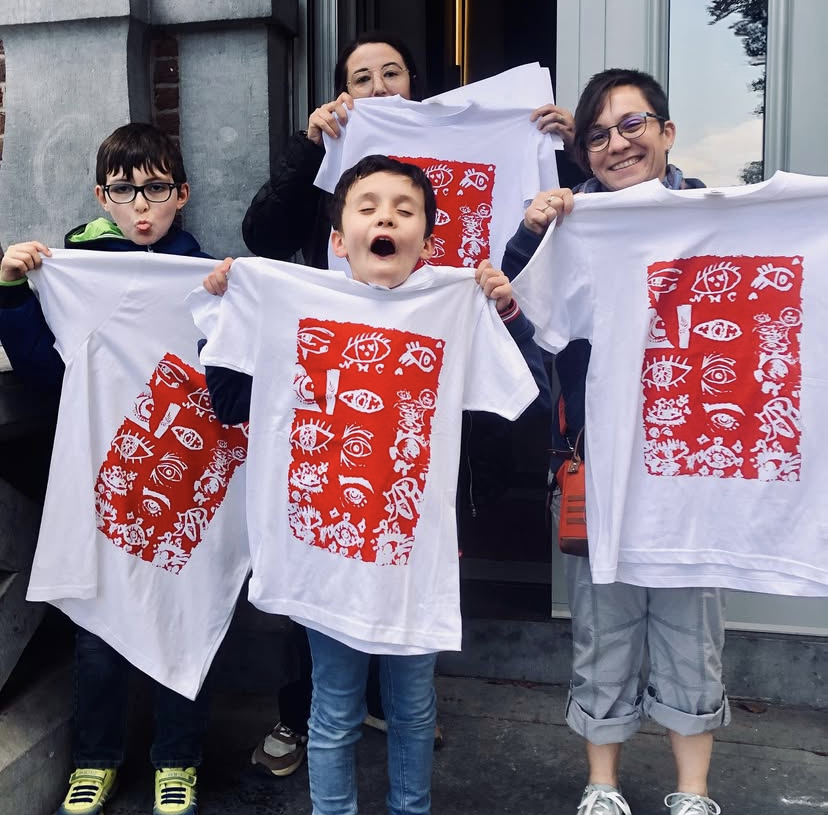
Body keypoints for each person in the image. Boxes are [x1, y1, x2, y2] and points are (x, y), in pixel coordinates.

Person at [239, 29, 575, 772]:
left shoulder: (475, 141)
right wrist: (307, 148)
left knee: (404, 543)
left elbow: (554, 246)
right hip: (340, 396)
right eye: (361, 77)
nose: (379, 87)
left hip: (432, 396)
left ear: (415, 84)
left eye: (391, 72)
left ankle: (395, 702)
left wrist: (563, 152)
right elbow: (262, 237)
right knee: (324, 544)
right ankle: (306, 710)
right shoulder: (336, 158)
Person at [199, 154, 551, 815]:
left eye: (404, 209)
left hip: (413, 562)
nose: (385, 218)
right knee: (332, 709)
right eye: (367, 207)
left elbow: (525, 399)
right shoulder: (289, 302)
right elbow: (228, 400)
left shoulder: (453, 307)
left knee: (413, 709)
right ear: (339, 240)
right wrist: (227, 312)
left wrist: (505, 313)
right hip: (325, 561)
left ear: (428, 242)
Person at [502, 69, 729, 815]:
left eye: (632, 125)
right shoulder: (573, 225)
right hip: (598, 467)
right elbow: (518, 312)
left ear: (666, 132)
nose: (617, 144)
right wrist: (531, 233)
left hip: (690, 469)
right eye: (597, 134)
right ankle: (601, 785)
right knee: (604, 630)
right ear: (582, 153)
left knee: (691, 632)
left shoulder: (717, 220)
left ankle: (692, 792)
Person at [0, 123, 216, 815]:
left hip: (183, 473)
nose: (141, 205)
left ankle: (177, 760)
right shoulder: (81, 274)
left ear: (181, 193)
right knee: (96, 630)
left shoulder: (205, 275)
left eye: (155, 188)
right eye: (124, 190)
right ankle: (95, 760)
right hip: (105, 481)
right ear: (103, 197)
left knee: (184, 619)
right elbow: (44, 370)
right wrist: (12, 291)